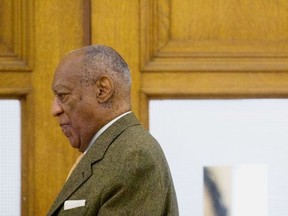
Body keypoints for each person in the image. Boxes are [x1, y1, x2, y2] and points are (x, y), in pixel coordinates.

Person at [47, 45, 179, 216]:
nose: (54, 109)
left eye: (63, 95)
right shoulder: (114, 151)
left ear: (102, 90)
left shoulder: (134, 157)